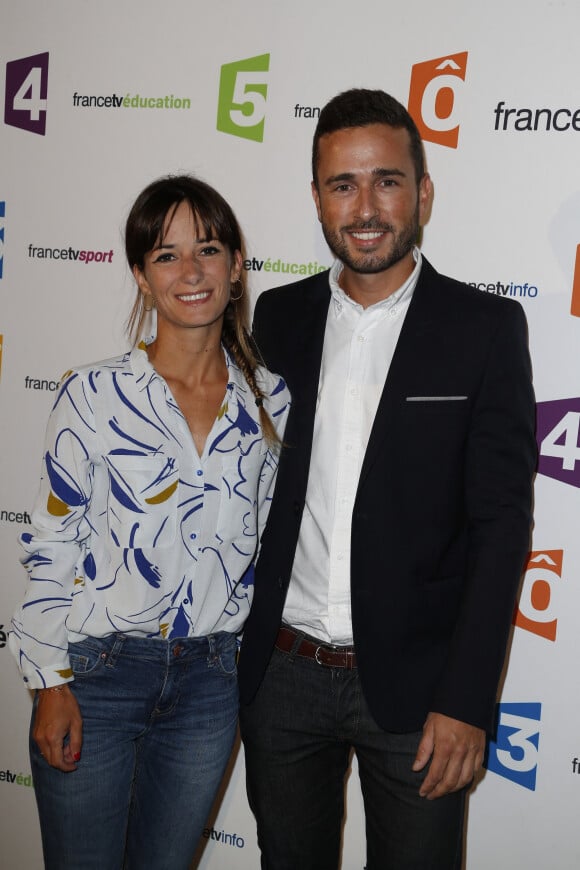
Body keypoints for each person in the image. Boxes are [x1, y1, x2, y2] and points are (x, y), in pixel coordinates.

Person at [238, 89, 536, 869]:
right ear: (316, 198)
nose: (365, 206)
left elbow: (502, 526)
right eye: (342, 184)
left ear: (423, 192)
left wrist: (467, 700)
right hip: (283, 679)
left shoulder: (483, 329)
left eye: (387, 181)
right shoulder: (278, 318)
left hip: (417, 691)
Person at [9, 174, 290, 870]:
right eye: (166, 255)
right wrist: (49, 683)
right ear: (140, 275)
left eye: (209, 248)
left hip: (209, 683)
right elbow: (51, 543)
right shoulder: (93, 393)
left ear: (236, 267)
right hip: (96, 675)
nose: (191, 271)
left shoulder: (272, 403)